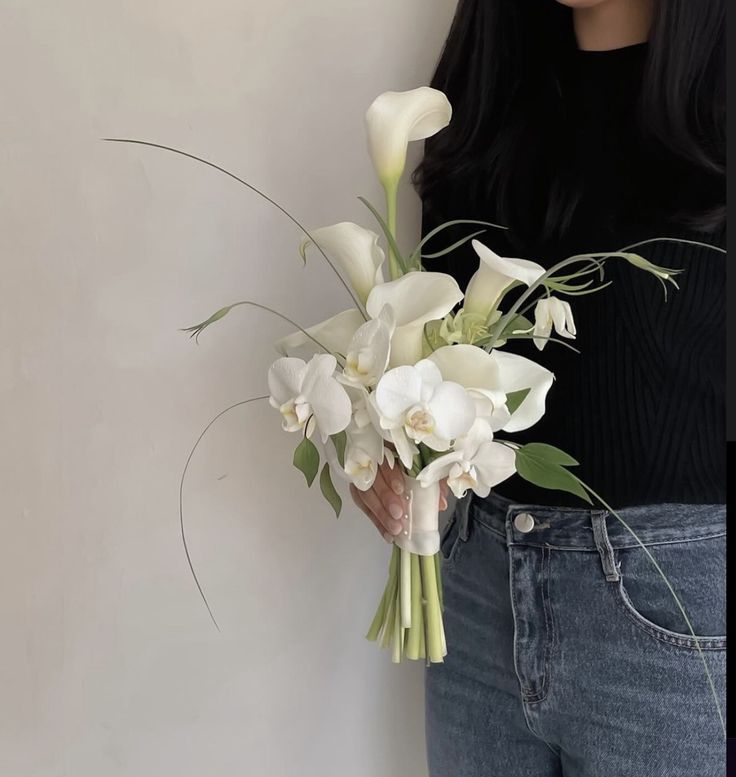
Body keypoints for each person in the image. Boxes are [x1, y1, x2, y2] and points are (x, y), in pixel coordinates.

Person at [350, 0, 726, 774]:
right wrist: (388, 456)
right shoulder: (483, 111)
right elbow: (438, 361)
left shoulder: (714, 117)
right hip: (476, 597)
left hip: (680, 618)